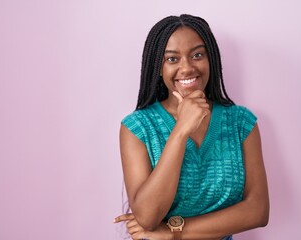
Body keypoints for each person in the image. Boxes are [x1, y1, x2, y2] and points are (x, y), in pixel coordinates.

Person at [113, 14, 269, 240]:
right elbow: (147, 216)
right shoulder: (137, 127)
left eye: (197, 55)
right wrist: (180, 131)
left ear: (210, 59)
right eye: (172, 59)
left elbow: (258, 211)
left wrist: (174, 231)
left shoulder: (241, 123)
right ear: (158, 67)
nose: (186, 68)